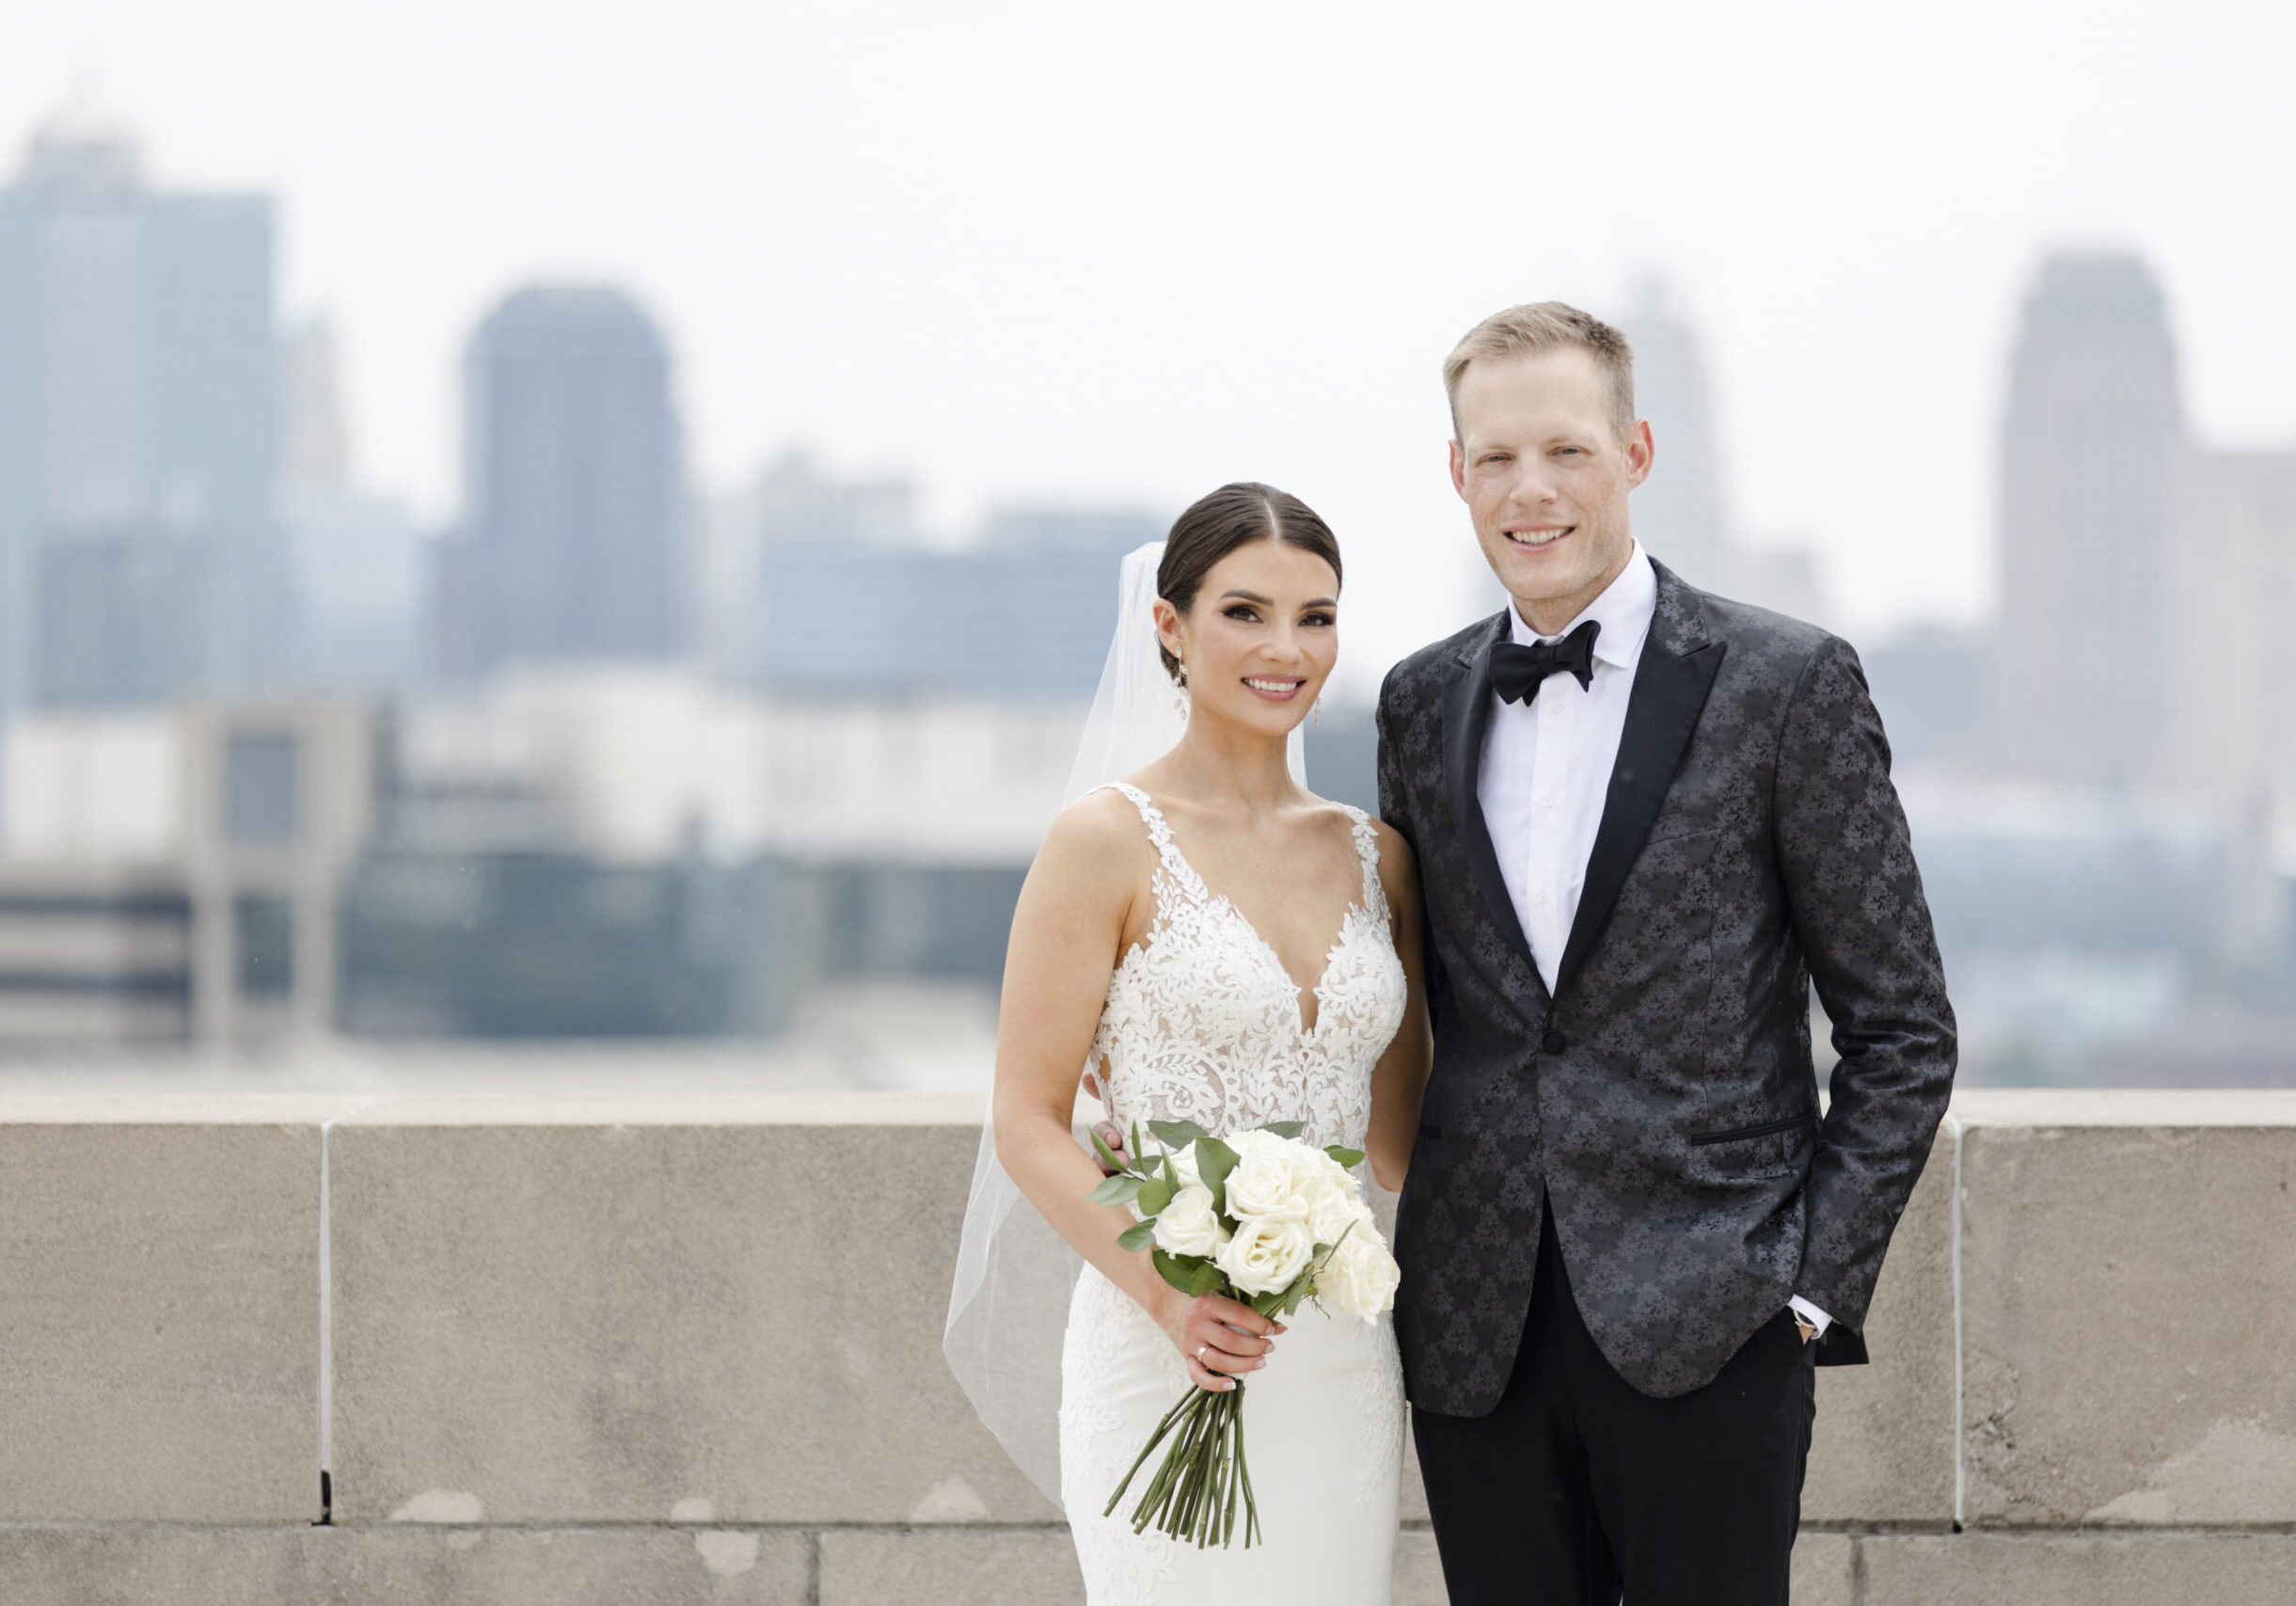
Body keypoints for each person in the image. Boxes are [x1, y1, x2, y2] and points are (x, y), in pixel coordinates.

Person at [1377, 301, 1957, 1604]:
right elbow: (1428, 1007)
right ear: (1455, 472)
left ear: (1635, 451)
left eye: (1566, 451)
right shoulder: (1417, 700)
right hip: (1479, 1327)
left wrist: (1804, 1289)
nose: (1530, 490)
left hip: (1716, 1314)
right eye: (1495, 457)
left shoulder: (1784, 681)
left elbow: (1904, 1027)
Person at [979, 483, 1430, 1603]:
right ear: (1170, 628)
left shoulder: (1379, 856)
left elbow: (1400, 1143)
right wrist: (1169, 1298)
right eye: (1245, 612)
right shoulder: (1101, 842)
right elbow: (1026, 1118)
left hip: (1336, 1360)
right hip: (1161, 1345)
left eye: (1315, 617)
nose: (1285, 648)